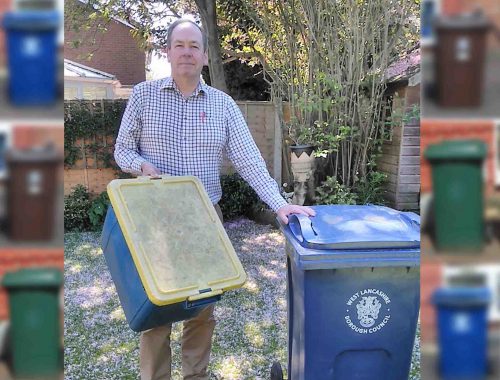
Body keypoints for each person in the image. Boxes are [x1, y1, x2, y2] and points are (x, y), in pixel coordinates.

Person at [114, 18, 315, 380]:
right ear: (168, 52)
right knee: (156, 309)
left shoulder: (223, 105)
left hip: (205, 219)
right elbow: (122, 150)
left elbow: (250, 161)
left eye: (194, 46)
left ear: (205, 56)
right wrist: (143, 166)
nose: (187, 52)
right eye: (180, 45)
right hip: (153, 219)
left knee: (200, 308)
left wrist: (279, 203)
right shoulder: (143, 95)